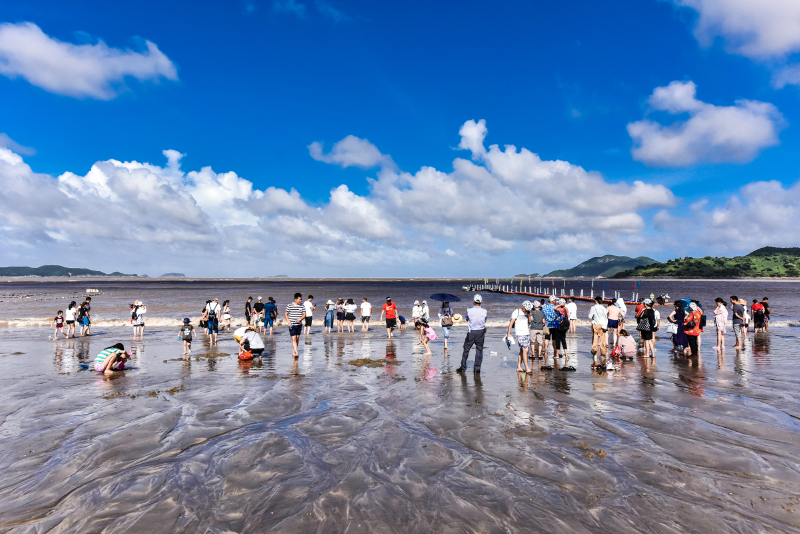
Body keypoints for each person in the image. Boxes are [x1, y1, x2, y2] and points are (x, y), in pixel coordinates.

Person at [457, 294, 487, 373]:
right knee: (479, 350)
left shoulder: (469, 310)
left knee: (466, 349)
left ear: (473, 301)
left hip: (472, 332)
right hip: (480, 332)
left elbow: (467, 318)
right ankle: (477, 368)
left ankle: (463, 367)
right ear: (481, 302)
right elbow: (485, 320)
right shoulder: (484, 311)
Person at [506, 300, 533, 374]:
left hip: (526, 332)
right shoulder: (516, 312)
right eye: (526, 309)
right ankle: (527, 368)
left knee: (522, 350)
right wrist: (508, 333)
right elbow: (511, 322)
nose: (526, 310)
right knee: (525, 350)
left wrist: (529, 314)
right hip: (519, 333)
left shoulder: (527, 312)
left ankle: (519, 367)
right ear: (523, 306)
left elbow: (530, 322)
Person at [285, 293, 306, 357]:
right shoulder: (289, 305)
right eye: (299, 299)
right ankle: (296, 352)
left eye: (301, 299)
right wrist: (288, 321)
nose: (300, 301)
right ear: (295, 299)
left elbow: (304, 314)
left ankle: (294, 350)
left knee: (297, 338)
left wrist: (300, 319)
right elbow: (286, 314)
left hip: (299, 325)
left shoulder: (302, 306)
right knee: (293, 338)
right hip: (292, 325)